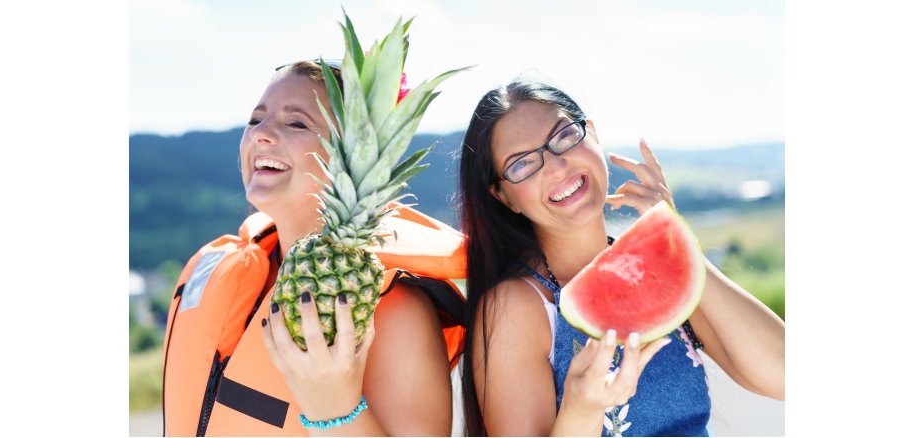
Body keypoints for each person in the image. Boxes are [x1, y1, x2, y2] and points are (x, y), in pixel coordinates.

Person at [457, 80, 785, 436]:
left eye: (564, 136)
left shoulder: (653, 271)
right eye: (522, 164)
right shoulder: (518, 305)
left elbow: (783, 375)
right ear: (504, 197)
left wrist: (674, 241)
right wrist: (582, 411)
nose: (555, 166)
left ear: (593, 135)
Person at [162, 60, 465, 436]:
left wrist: (333, 405)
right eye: (256, 119)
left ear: (351, 162)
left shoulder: (392, 309)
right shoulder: (219, 264)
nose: (261, 134)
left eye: (296, 123)